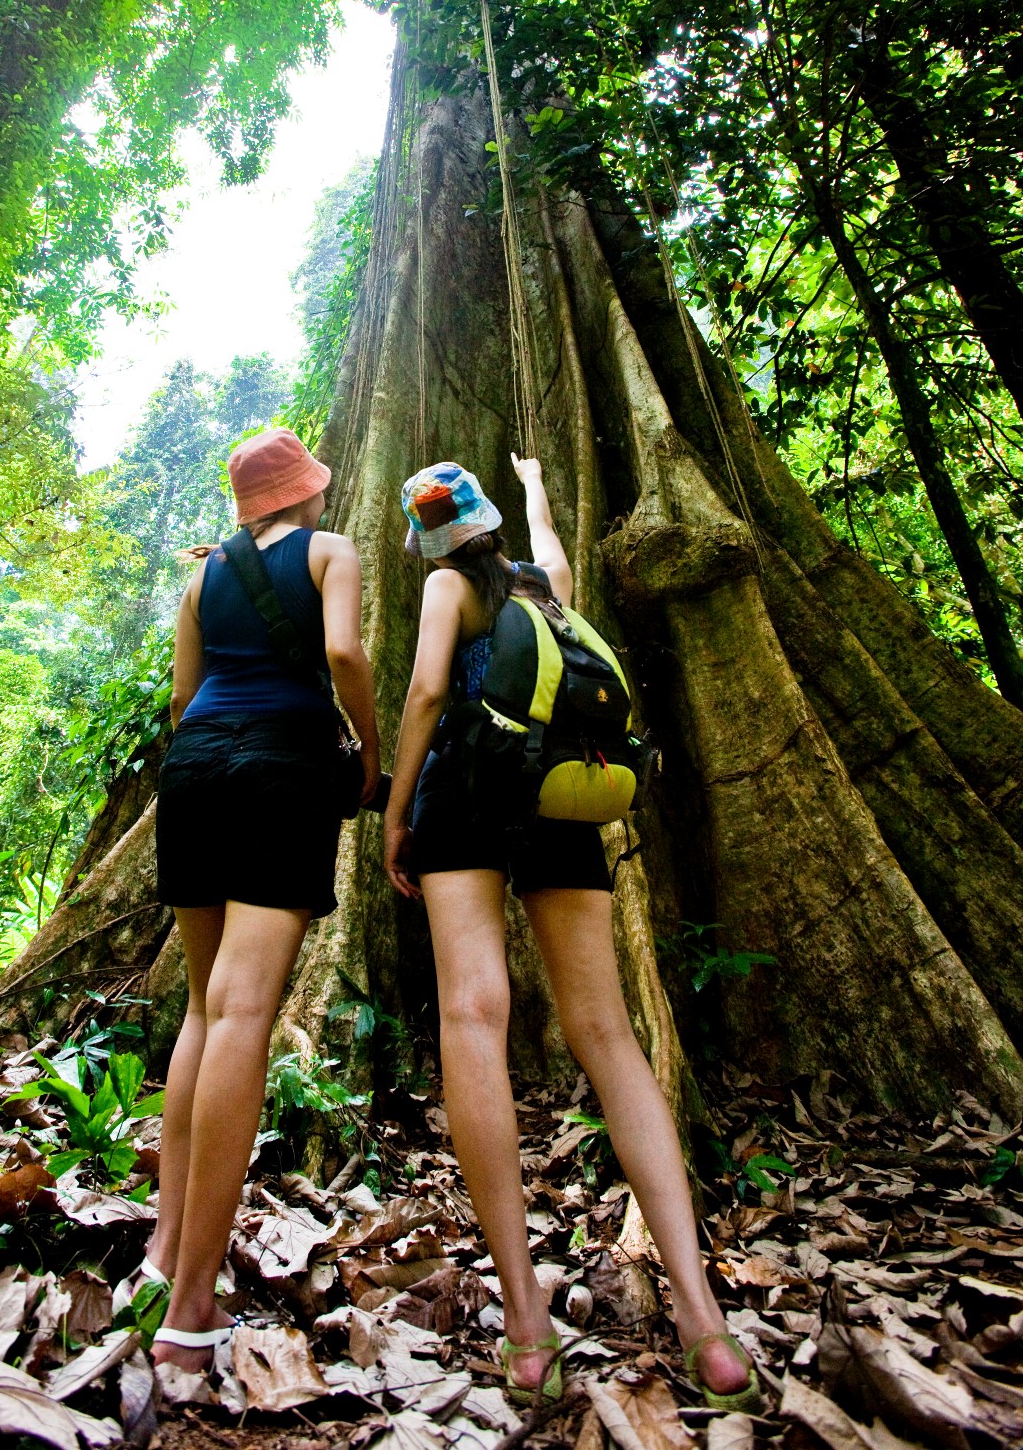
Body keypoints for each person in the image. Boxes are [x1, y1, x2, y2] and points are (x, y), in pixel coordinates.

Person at [382, 454, 758, 1411]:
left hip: (466, 801)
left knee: (474, 1018)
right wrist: (538, 477)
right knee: (608, 1035)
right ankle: (704, 1320)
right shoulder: (540, 584)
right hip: (561, 801)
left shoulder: (445, 586)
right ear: (489, 519)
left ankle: (526, 1322)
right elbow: (548, 539)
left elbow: (427, 692)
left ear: (428, 537)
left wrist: (395, 814)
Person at [145, 427, 381, 1372]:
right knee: (248, 1015)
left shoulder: (201, 579)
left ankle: (165, 1256)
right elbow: (347, 657)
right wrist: (363, 751)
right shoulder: (333, 550)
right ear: (307, 493)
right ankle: (193, 1307)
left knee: (206, 1010)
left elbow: (182, 699)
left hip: (194, 769)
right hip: (284, 768)